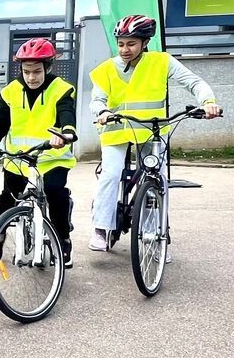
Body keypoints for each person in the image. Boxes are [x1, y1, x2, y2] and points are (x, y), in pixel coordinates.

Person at [88, 14, 221, 252]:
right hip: (116, 129)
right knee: (111, 173)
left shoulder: (162, 61)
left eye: (131, 43)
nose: (125, 49)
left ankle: (156, 233)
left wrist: (208, 101)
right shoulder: (106, 69)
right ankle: (101, 227)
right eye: (121, 43)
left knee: (157, 177)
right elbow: (97, 99)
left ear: (144, 43)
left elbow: (194, 83)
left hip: (152, 130)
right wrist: (102, 110)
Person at [0, 38, 78, 267]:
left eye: (37, 71)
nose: (31, 77)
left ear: (48, 67)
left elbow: (67, 115)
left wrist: (66, 134)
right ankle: (0, 236)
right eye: (26, 71)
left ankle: (63, 240)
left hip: (52, 158)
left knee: (55, 193)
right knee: (8, 197)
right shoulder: (11, 91)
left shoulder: (61, 89)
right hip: (18, 159)